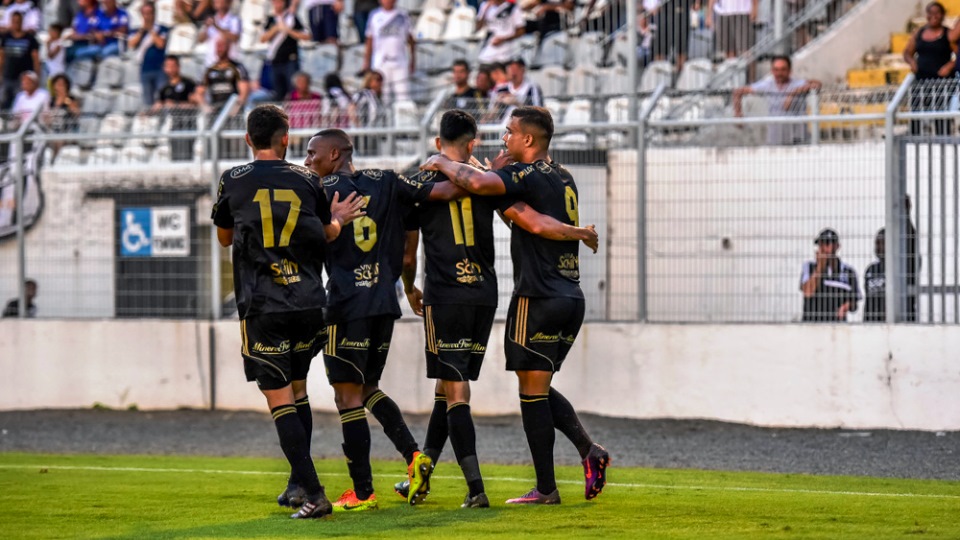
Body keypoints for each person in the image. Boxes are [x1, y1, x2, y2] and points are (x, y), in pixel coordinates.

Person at [397, 110, 600, 508]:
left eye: (509, 133)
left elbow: (509, 208)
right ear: (472, 143)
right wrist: (577, 232)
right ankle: (425, 469)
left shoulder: (492, 178)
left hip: (506, 294)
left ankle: (505, 489)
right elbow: (522, 218)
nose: (503, 139)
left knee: (488, 390)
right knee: (471, 385)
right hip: (522, 294)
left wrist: (440, 163)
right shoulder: (561, 176)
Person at [301, 128, 468, 511]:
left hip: (345, 304)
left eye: (313, 153)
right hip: (383, 303)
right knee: (368, 387)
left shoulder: (320, 191)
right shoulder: (389, 181)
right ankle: (415, 456)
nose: (308, 160)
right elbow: (442, 194)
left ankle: (362, 493)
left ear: (336, 153)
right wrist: (470, 172)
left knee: (346, 396)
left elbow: (308, 239)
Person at [211, 105, 363, 519]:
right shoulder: (307, 179)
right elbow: (327, 234)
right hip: (309, 300)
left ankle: (314, 492)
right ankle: (298, 484)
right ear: (286, 138)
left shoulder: (233, 179)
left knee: (279, 399)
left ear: (248, 139)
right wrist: (339, 220)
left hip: (264, 304)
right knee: (297, 391)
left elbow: (225, 238)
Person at [732, 55, 821, 145]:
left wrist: (792, 93)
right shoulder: (767, 85)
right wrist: (738, 114)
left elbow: (817, 85)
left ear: (790, 71)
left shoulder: (798, 84)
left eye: (783, 69)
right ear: (772, 71)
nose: (779, 73)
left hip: (799, 136)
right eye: (776, 70)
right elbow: (738, 92)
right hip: (776, 138)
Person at [908, 2, 955, 136]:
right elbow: (907, 52)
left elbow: (958, 55)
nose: (933, 16)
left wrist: (949, 66)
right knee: (916, 108)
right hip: (921, 80)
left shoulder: (948, 34)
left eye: (937, 13)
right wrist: (912, 62)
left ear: (942, 15)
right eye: (930, 13)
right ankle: (915, 139)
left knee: (941, 111)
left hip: (942, 81)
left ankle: (943, 138)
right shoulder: (919, 33)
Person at [799, 228, 860, 322]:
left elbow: (854, 303)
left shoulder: (848, 272)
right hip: (812, 325)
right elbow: (807, 292)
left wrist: (847, 306)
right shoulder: (809, 267)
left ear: (837, 246)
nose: (823, 248)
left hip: (837, 327)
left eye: (827, 244)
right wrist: (820, 267)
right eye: (820, 244)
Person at [362, 0, 415, 104]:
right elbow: (369, 40)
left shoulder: (403, 15)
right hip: (381, 63)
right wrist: (366, 62)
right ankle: (383, 118)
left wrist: (413, 60)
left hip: (399, 62)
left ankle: (402, 120)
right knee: (383, 96)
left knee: (403, 96)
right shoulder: (375, 15)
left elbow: (411, 39)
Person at [261, 0, 310, 102]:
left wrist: (288, 30)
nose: (277, 3)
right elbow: (263, 38)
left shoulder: (292, 18)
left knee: (293, 90)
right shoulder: (270, 19)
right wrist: (276, 28)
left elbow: (306, 35)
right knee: (277, 92)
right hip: (275, 61)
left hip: (290, 60)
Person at [156, 56, 202, 161]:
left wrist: (175, 105)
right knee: (175, 154)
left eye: (173, 66)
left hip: (188, 124)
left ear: (178, 67)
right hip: (174, 125)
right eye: (168, 66)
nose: (170, 69)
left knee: (187, 154)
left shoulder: (188, 84)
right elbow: (159, 105)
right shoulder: (164, 88)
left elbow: (195, 104)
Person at [128, 2, 170, 107]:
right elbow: (131, 44)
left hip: (159, 68)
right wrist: (142, 31)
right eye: (145, 14)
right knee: (147, 100)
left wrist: (151, 29)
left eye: (149, 13)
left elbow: (160, 44)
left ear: (154, 14)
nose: (147, 16)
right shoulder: (137, 30)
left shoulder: (162, 28)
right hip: (145, 69)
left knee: (162, 97)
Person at [0, 11, 40, 109]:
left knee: (18, 104)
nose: (16, 24)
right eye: (14, 21)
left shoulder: (30, 39)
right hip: (7, 76)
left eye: (18, 21)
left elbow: (35, 58)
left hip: (23, 78)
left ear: (22, 22)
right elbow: (1, 56)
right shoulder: (6, 37)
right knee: (3, 102)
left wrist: (37, 76)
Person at [707, 0, 757, 79]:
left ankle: (751, 83)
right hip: (723, 13)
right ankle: (733, 83)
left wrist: (755, 7)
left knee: (746, 51)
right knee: (729, 52)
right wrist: (709, 15)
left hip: (743, 12)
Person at [198, 38, 250, 109]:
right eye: (218, 46)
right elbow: (199, 92)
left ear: (228, 47)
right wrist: (206, 107)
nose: (219, 49)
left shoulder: (237, 67)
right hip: (215, 109)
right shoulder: (210, 69)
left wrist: (236, 108)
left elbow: (244, 91)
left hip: (232, 110)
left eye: (222, 46)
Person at [476, 0, 526, 65]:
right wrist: (485, 10)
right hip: (489, 48)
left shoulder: (512, 7)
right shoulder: (484, 5)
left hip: (508, 51)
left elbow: (521, 30)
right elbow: (478, 27)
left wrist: (503, 39)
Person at [198, 0, 241, 67]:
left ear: (228, 3)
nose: (217, 1)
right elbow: (201, 40)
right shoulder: (211, 19)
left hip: (229, 63)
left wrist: (216, 27)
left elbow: (234, 38)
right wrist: (206, 28)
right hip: (211, 62)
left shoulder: (234, 20)